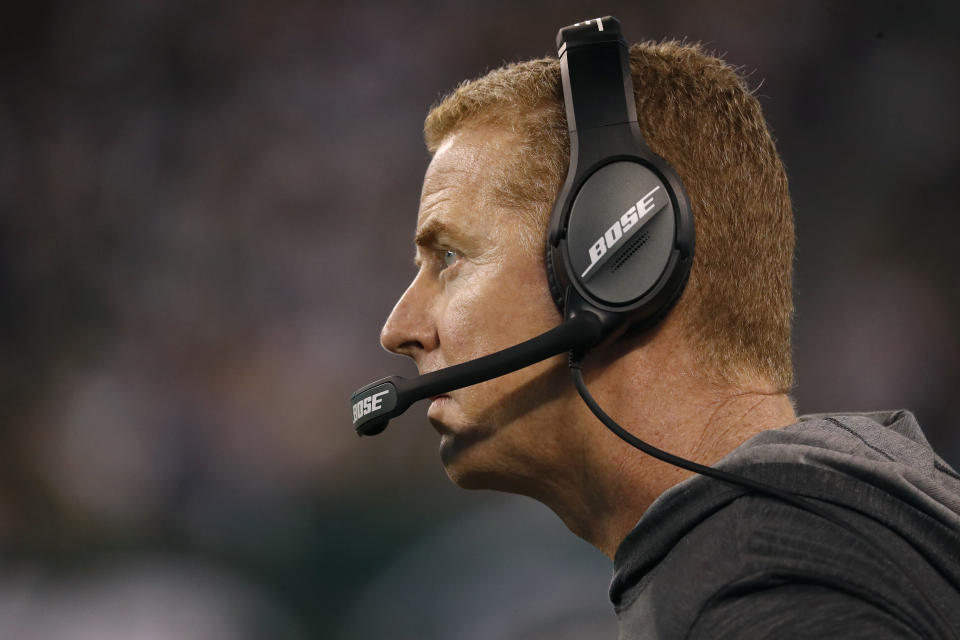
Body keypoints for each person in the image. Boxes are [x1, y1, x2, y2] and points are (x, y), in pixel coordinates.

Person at [376, 37, 960, 638]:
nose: (399, 331)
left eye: (448, 256)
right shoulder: (851, 512)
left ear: (611, 263)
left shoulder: (755, 577)